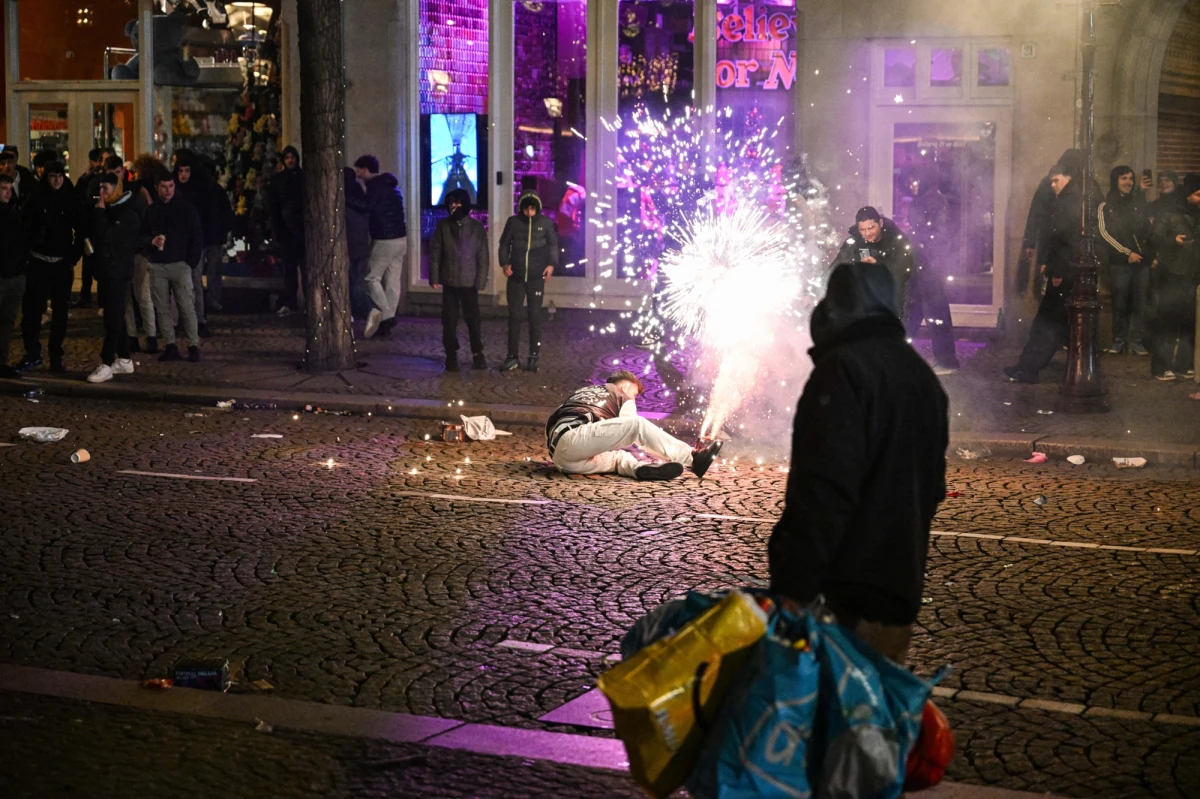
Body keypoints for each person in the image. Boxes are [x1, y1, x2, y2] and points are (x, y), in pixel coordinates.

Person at [768, 262, 949, 664]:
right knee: (872, 721)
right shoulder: (922, 377)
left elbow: (824, 489)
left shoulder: (843, 371)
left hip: (840, 600)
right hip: (898, 593)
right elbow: (933, 489)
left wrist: (792, 587)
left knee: (823, 718)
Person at [1004, 163, 1094, 384]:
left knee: (1049, 322)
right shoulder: (1067, 199)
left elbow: (1066, 241)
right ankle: (1027, 365)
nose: (1053, 185)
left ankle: (1029, 367)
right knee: (1048, 321)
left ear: (1069, 178)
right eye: (1052, 181)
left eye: (1057, 180)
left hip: (1063, 272)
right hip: (1062, 269)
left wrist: (1056, 269)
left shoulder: (1069, 202)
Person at [546, 369, 724, 480]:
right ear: (623, 386)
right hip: (575, 438)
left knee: (617, 458)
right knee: (636, 425)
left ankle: (641, 469)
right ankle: (693, 458)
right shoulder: (619, 395)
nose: (634, 399)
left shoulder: (582, 392)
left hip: (562, 459)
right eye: (634, 393)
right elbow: (634, 430)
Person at [17, 160, 79, 373]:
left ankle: (55, 354)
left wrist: (73, 255)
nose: (58, 179)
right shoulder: (35, 198)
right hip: (38, 261)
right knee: (32, 312)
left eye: (61, 175)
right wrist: (27, 257)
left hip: (61, 262)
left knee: (60, 313)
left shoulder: (69, 197)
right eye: (53, 175)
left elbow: (80, 227)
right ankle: (33, 353)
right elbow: (24, 229)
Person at [900, 173, 961, 375]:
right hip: (922, 262)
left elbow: (939, 234)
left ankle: (947, 360)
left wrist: (922, 245)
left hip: (930, 264)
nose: (912, 185)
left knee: (936, 311)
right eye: (909, 182)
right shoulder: (923, 199)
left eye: (915, 180)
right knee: (913, 309)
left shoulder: (934, 200)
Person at [85, 173, 142, 384]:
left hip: (118, 272)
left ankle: (107, 362)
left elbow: (108, 237)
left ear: (116, 189)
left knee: (113, 318)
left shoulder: (127, 213)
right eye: (99, 188)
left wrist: (100, 216)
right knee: (114, 315)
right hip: (107, 271)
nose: (101, 193)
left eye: (105, 189)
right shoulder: (109, 209)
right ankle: (125, 358)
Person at [142, 171, 203, 362]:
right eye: (163, 187)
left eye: (170, 186)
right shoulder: (151, 211)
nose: (167, 191)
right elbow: (141, 235)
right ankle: (170, 344)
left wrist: (190, 262)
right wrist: (150, 243)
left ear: (174, 187)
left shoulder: (186, 209)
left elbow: (196, 237)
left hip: (180, 264)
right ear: (157, 188)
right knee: (162, 308)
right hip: (158, 264)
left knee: (186, 306)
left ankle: (193, 345)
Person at [348, 154, 408, 339]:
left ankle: (387, 316)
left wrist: (345, 198)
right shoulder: (391, 186)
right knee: (392, 281)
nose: (357, 174)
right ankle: (385, 324)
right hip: (400, 238)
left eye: (359, 169)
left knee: (370, 278)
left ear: (366, 169)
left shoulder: (375, 186)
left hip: (384, 238)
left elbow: (367, 206)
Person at [498, 190, 559, 372]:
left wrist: (551, 265)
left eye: (533, 209)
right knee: (514, 316)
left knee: (535, 316)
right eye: (526, 209)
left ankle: (534, 355)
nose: (530, 212)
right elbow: (504, 243)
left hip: (535, 278)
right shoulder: (513, 222)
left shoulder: (546, 223)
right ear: (522, 208)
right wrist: (504, 263)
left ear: (537, 208)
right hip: (516, 277)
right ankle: (512, 356)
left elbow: (553, 244)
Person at [429, 188, 489, 371]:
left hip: (469, 283)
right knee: (449, 321)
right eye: (451, 203)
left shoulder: (476, 227)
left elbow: (483, 256)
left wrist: (480, 281)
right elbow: (435, 253)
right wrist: (434, 277)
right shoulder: (443, 226)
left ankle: (477, 353)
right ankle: (451, 355)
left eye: (458, 203)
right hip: (450, 281)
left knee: (473, 320)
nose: (454, 207)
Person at [1098, 166, 1155, 356]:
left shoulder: (1138, 203)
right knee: (1120, 303)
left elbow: (1147, 230)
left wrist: (1149, 256)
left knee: (1141, 303)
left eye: (1130, 178)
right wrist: (1126, 253)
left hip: (1142, 262)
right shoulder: (1105, 206)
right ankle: (1118, 342)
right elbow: (1104, 234)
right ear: (1115, 180)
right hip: (1120, 263)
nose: (1128, 182)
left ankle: (1136, 342)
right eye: (1124, 179)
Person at [1148, 173, 1200, 381]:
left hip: (1193, 274)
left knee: (1189, 320)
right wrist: (1172, 240)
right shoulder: (1169, 213)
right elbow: (1153, 237)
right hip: (1172, 273)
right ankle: (1161, 366)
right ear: (1187, 195)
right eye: (1197, 194)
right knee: (1168, 320)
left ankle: (1185, 364)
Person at [174, 149, 232, 335]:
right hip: (182, 243)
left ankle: (198, 319)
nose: (183, 175)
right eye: (180, 171)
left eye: (187, 171)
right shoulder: (176, 189)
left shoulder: (201, 192)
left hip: (196, 242)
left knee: (195, 280)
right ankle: (182, 320)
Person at [830, 206, 917, 317]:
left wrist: (878, 266)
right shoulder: (854, 243)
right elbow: (836, 268)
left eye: (871, 228)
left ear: (880, 223)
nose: (867, 233)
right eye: (862, 230)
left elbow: (904, 271)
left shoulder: (897, 241)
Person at [123, 155, 160, 353]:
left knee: (135, 295)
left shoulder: (137, 191)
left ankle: (137, 336)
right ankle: (148, 336)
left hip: (135, 249)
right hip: (138, 249)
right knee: (140, 295)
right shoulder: (146, 191)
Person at [268, 145, 306, 316]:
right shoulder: (278, 180)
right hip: (287, 231)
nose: (290, 160)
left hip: (303, 231)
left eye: (293, 157)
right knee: (289, 270)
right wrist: (278, 231)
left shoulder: (304, 177)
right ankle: (290, 303)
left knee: (306, 270)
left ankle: (307, 303)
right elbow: (274, 208)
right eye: (287, 157)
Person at [0, 174, 28, 379]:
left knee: (8, 321)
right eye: (3, 188)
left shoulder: (16, 210)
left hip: (16, 273)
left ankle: (1, 361)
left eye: (10, 188)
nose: (8, 192)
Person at [74, 148, 108, 308]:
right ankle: (86, 295)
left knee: (101, 267)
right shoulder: (93, 179)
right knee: (89, 263)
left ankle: (100, 299)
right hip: (91, 226)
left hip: (104, 227)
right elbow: (86, 197)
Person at [342, 166, 372, 321]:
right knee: (355, 280)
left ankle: (370, 311)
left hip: (351, 246)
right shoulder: (360, 195)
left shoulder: (345, 201)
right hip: (360, 245)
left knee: (352, 283)